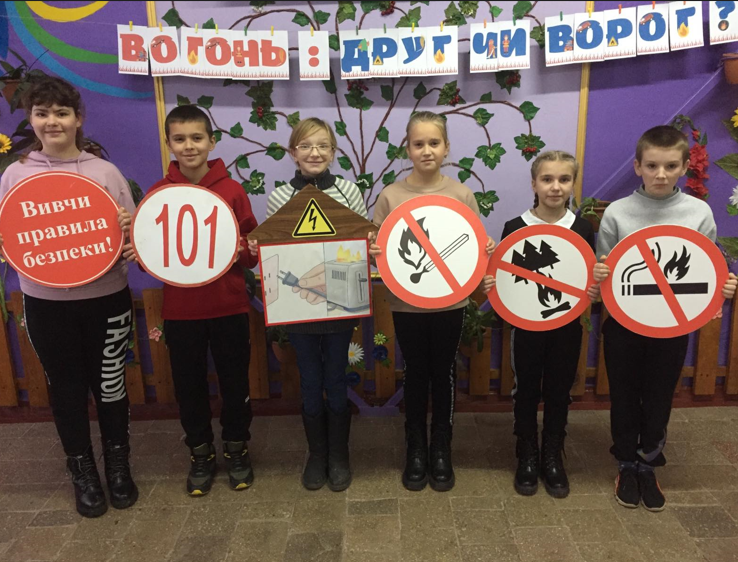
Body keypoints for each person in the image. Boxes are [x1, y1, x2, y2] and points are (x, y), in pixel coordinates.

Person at [0, 77, 137, 518]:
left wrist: (131, 235)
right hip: (47, 303)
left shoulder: (105, 172)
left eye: (61, 112)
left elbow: (135, 238)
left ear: (78, 119)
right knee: (67, 389)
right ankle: (82, 470)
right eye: (42, 113)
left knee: (111, 386)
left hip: (107, 297)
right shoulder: (15, 175)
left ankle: (118, 464)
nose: (52, 121)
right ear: (31, 119)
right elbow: (8, 234)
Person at [592, 126, 737, 511]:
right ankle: (626, 463)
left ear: (685, 167)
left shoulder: (698, 213)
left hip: (672, 327)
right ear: (637, 166)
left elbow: (707, 269)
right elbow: (605, 272)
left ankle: (648, 463)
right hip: (624, 325)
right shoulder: (618, 213)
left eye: (671, 166)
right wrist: (600, 273)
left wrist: (722, 287)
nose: (660, 174)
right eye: (652, 165)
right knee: (624, 395)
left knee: (659, 396)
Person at [369, 111, 494, 492]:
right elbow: (378, 250)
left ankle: (441, 446)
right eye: (418, 144)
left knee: (444, 373)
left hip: (450, 305)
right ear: (407, 149)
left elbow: (473, 248)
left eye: (434, 143)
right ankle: (415, 447)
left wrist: (485, 248)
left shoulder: (461, 194)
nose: (426, 150)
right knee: (415, 373)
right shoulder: (391, 195)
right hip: (406, 305)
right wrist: (373, 250)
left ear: (446, 148)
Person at [139, 105, 259, 496]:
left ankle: (237, 448)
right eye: (179, 139)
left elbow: (253, 251)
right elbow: (151, 256)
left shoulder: (232, 190)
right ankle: (200, 453)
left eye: (196, 137)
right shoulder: (159, 194)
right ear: (168, 143)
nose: (188, 146)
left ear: (212, 141)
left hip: (229, 307)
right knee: (189, 387)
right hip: (182, 312)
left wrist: (244, 250)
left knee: (235, 383)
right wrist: (139, 251)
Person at [249, 118, 368, 492]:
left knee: (336, 378)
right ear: (292, 153)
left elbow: (359, 244)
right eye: (305, 146)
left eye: (322, 146)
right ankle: (317, 455)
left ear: (333, 152)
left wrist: (370, 245)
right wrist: (260, 246)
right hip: (299, 310)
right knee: (310, 380)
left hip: (339, 308)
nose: (314, 153)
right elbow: (276, 249)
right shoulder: (280, 197)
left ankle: (339, 455)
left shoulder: (349, 191)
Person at [493, 151, 596, 498]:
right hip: (526, 328)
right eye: (547, 179)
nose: (555, 187)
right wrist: (494, 284)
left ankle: (553, 452)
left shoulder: (582, 229)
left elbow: (586, 279)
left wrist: (594, 289)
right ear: (534, 183)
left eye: (564, 179)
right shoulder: (515, 228)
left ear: (573, 184)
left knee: (559, 389)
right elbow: (504, 278)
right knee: (525, 389)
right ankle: (526, 451)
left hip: (566, 326)